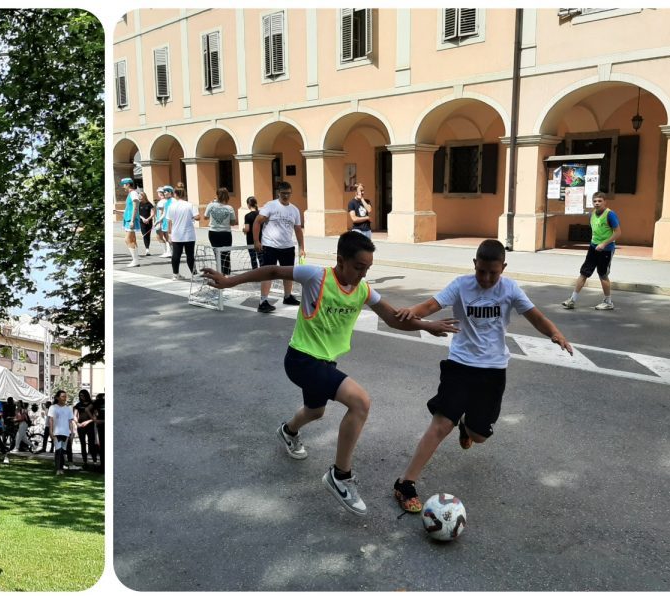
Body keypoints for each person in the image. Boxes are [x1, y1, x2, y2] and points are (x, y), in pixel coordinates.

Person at [201, 231, 460, 515]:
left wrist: (426, 326)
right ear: (341, 260)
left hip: (325, 363)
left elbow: (393, 318)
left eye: (368, 268)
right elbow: (274, 269)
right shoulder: (316, 276)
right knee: (360, 401)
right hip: (301, 359)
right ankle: (340, 476)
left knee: (315, 411)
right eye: (358, 267)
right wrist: (228, 281)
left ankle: (288, 431)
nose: (363, 274)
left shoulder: (363, 290)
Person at [391, 240, 573, 512]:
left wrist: (554, 333)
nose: (487, 278)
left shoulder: (509, 288)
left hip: (493, 369)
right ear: (474, 265)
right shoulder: (461, 285)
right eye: (482, 271)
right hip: (460, 364)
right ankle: (405, 484)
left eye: (493, 272)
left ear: (503, 268)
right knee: (441, 424)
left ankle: (466, 426)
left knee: (479, 436)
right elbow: (431, 305)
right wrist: (412, 312)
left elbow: (535, 316)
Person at [561, 191, 621, 311]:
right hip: (593, 248)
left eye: (600, 201)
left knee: (603, 275)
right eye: (595, 201)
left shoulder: (610, 214)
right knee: (584, 273)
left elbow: (618, 233)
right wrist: (595, 244)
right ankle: (572, 300)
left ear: (605, 202)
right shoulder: (592, 214)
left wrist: (604, 244)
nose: (597, 203)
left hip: (606, 250)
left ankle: (608, 302)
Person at [253, 181, 306, 313]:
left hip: (287, 246)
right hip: (270, 245)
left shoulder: (294, 210)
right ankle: (263, 301)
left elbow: (298, 229)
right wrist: (256, 241)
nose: (286, 196)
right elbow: (257, 222)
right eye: (283, 193)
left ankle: (287, 296)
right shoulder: (270, 206)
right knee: (268, 273)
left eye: (288, 193)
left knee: (288, 273)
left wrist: (301, 248)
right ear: (278, 193)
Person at [166, 185, 200, 280]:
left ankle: (175, 274)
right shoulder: (190, 205)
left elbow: (169, 221)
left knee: (176, 255)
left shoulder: (171, 206)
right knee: (190, 255)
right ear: (184, 194)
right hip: (189, 234)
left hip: (176, 234)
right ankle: (194, 274)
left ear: (175, 195)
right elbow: (198, 217)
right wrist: (190, 217)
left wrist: (169, 234)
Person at [204, 187, 239, 275]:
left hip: (213, 232)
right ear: (227, 196)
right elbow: (233, 222)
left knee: (217, 253)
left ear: (217, 195)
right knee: (226, 253)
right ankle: (226, 273)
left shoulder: (211, 205)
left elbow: (205, 217)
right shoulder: (229, 208)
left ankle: (220, 272)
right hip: (225, 233)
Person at [48, 390, 78, 476]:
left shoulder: (68, 408)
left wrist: (71, 432)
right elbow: (51, 420)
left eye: (65, 396)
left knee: (63, 451)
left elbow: (70, 421)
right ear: (57, 397)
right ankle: (58, 469)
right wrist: (50, 431)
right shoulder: (53, 407)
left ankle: (61, 468)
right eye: (62, 396)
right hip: (56, 432)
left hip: (66, 432)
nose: (64, 398)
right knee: (58, 450)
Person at [118, 178, 143, 268]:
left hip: (131, 220)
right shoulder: (132, 194)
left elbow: (135, 207)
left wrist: (132, 220)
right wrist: (117, 211)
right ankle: (135, 259)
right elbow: (129, 209)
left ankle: (135, 260)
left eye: (124, 184)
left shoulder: (133, 193)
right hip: (128, 219)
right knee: (132, 240)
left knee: (128, 239)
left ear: (128, 184)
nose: (123, 186)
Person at [75, 389, 99, 465]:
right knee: (82, 444)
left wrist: (88, 422)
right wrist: (77, 423)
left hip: (90, 426)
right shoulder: (78, 405)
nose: (81, 397)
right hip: (80, 426)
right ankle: (84, 461)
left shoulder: (92, 404)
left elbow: (96, 416)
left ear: (86, 395)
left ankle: (94, 460)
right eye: (80, 395)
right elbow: (74, 415)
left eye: (83, 395)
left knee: (91, 444)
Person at [242, 196, 261, 270]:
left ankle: (255, 273)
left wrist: (243, 230)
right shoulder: (261, 214)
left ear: (248, 205)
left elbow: (247, 229)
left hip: (251, 239)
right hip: (260, 238)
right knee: (261, 257)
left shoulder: (247, 216)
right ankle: (263, 273)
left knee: (253, 258)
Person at [155, 186, 175, 257]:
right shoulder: (167, 201)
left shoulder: (173, 200)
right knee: (167, 237)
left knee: (170, 237)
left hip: (171, 222)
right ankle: (169, 252)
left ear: (170, 192)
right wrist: (158, 221)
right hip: (166, 221)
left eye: (166, 191)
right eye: (164, 192)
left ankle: (172, 252)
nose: (164, 193)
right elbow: (164, 213)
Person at [138, 190, 155, 257]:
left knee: (148, 235)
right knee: (144, 235)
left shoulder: (149, 204)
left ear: (144, 196)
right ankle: (147, 249)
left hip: (149, 221)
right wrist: (143, 218)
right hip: (142, 221)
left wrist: (148, 219)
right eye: (139, 195)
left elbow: (153, 213)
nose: (139, 197)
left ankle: (147, 248)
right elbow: (137, 213)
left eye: (140, 195)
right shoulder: (138, 204)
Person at [93, 392, 106, 464]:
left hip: (100, 425)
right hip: (100, 425)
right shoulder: (97, 404)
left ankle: (102, 464)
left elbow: (94, 413)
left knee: (102, 446)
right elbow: (94, 413)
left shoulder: (97, 404)